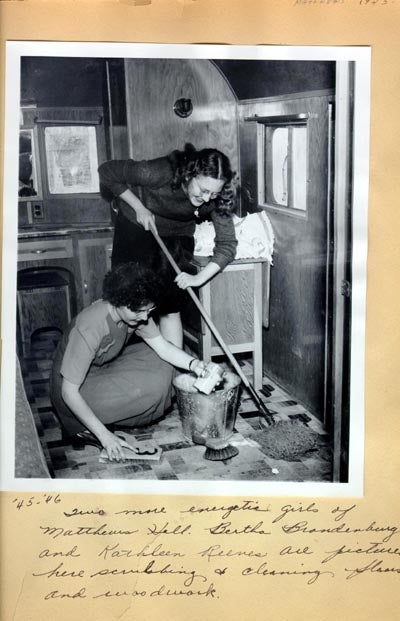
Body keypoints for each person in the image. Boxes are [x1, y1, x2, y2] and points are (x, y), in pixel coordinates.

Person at [50, 263, 209, 462]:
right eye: (139, 312)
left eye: (150, 310)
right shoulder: (91, 324)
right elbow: (68, 392)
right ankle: (84, 427)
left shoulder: (137, 311)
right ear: (119, 302)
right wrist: (105, 437)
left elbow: (163, 348)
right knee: (151, 389)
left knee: (166, 362)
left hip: (99, 369)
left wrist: (196, 365)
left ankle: (105, 416)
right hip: (72, 391)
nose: (145, 317)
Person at [98, 143, 238, 349]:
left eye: (213, 194)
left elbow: (227, 245)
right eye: (203, 190)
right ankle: (121, 361)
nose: (207, 199)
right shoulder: (158, 172)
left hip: (178, 233)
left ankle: (173, 371)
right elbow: (107, 171)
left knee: (170, 305)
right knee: (130, 302)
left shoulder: (218, 196)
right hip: (136, 225)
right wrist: (139, 207)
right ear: (190, 175)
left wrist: (198, 278)